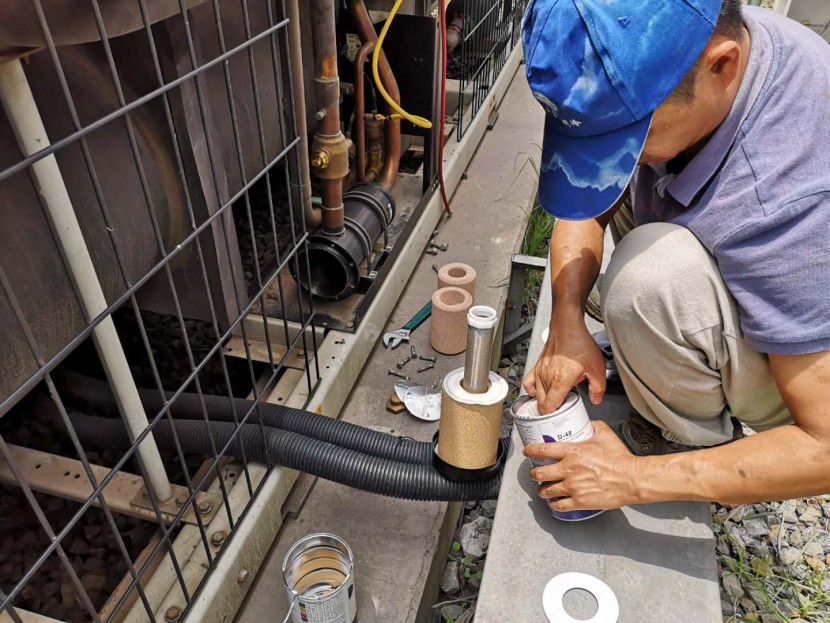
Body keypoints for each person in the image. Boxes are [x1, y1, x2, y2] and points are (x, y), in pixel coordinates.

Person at [520, 0, 830, 515]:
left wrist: (629, 478)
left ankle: (693, 437)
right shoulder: (700, 47)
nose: (622, 154)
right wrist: (567, 318)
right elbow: (590, 194)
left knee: (648, 282)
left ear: (722, 66)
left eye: (632, 135)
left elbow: (824, 446)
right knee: (638, 213)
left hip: (806, 350)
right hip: (744, 241)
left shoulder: (789, 195)